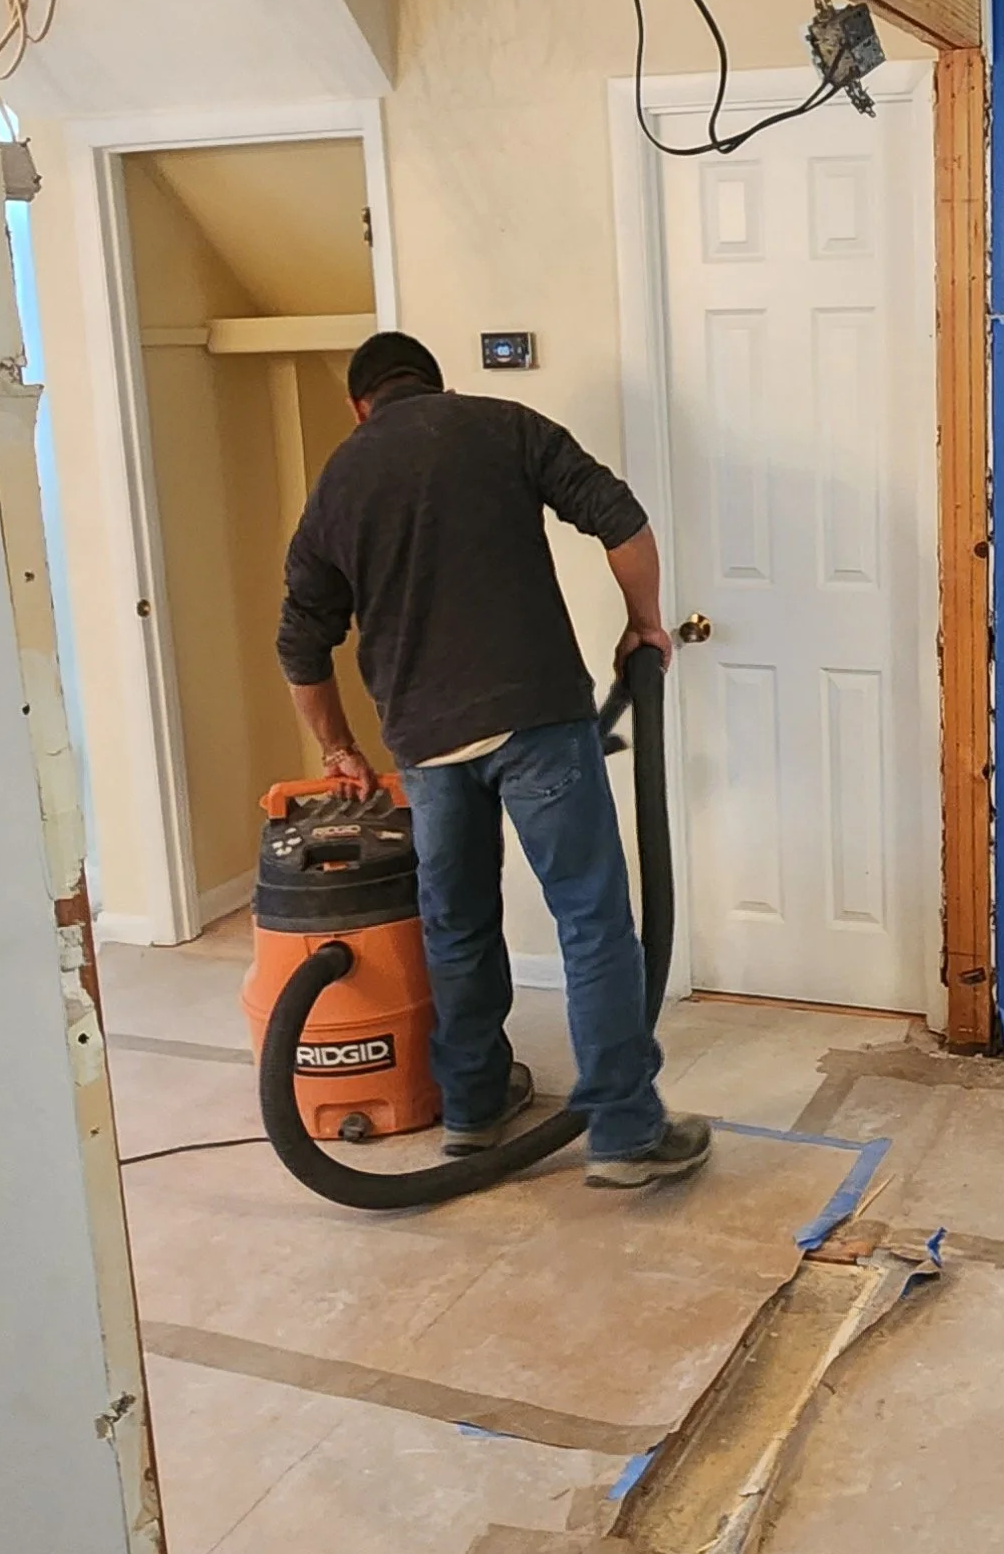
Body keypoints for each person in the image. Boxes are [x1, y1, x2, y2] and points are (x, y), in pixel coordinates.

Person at [275, 330, 710, 1187]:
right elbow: (619, 517)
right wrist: (645, 621)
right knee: (589, 920)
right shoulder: (501, 425)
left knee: (457, 921)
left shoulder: (338, 481)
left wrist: (338, 748)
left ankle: (472, 1109)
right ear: (435, 386)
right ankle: (624, 1131)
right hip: (536, 718)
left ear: (360, 404)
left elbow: (300, 644)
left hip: (428, 744)